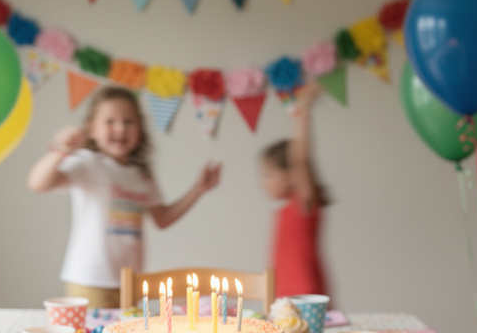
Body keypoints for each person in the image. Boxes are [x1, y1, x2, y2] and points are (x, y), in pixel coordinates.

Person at [27, 86, 221, 308]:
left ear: (140, 129)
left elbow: (163, 218)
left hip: (131, 281)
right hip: (89, 279)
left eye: (129, 121)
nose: (120, 128)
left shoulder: (142, 174)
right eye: (110, 121)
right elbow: (37, 183)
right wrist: (61, 150)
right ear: (91, 129)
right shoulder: (87, 163)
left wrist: (198, 189)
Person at [262, 82, 329, 299]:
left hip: (306, 294)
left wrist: (302, 111)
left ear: (292, 175)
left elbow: (299, 158)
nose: (263, 183)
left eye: (269, 175)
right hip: (284, 294)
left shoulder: (304, 206)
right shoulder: (287, 210)